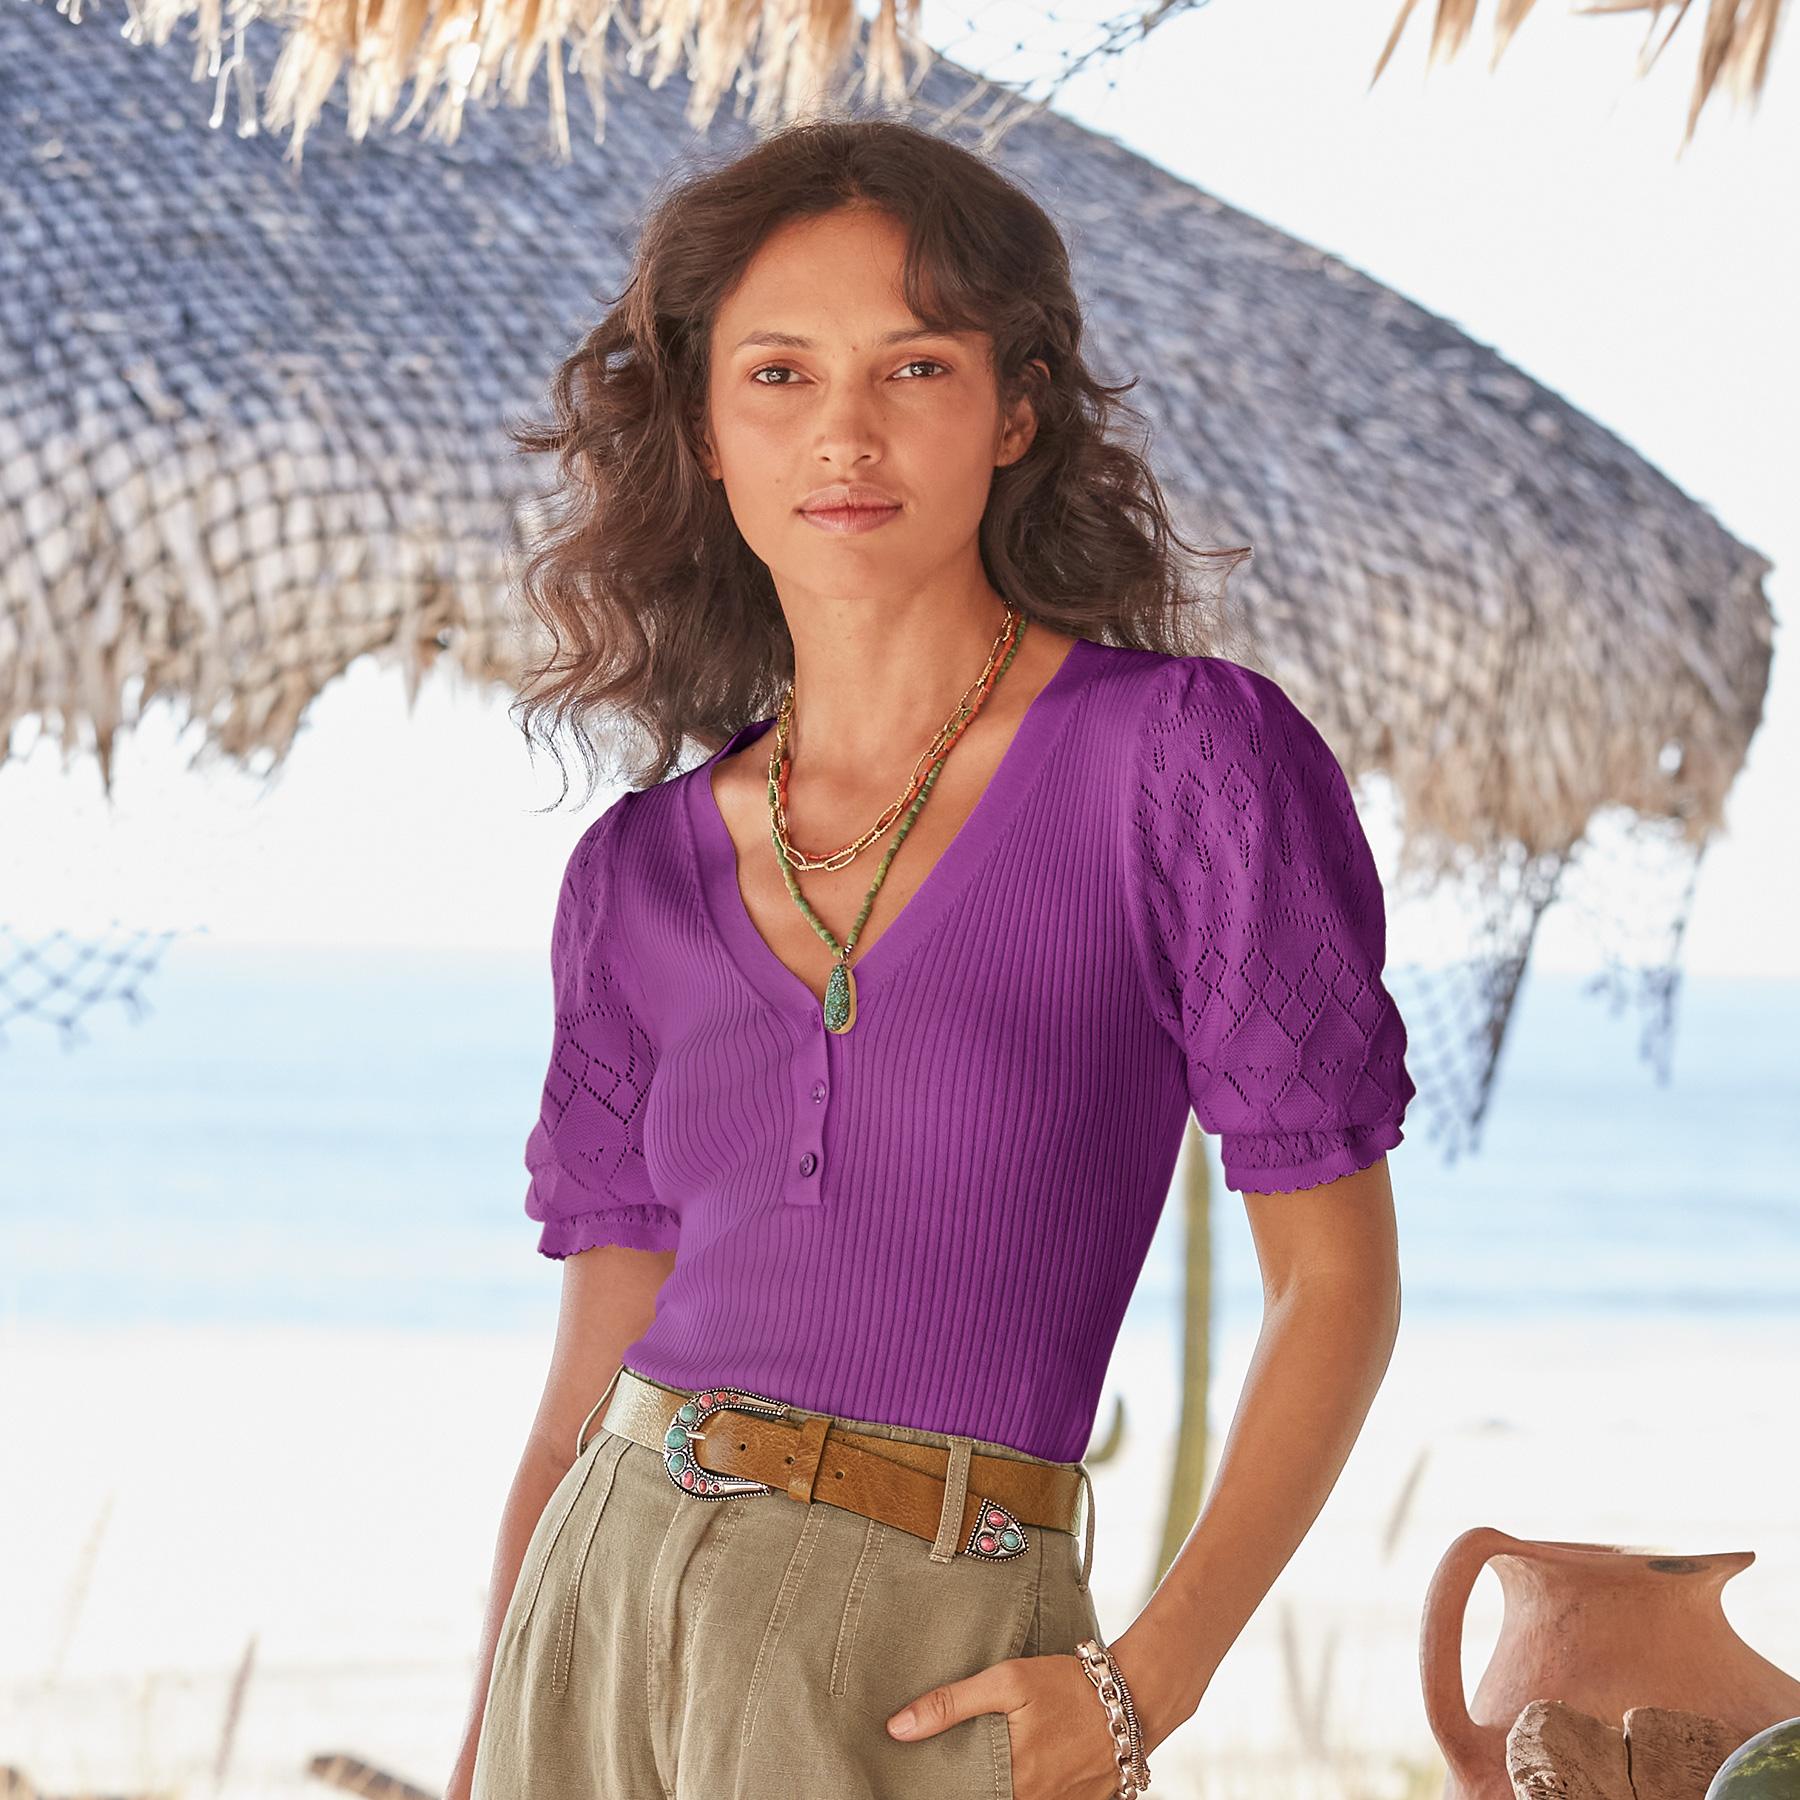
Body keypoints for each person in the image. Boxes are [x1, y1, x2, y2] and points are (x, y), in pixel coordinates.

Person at [446, 114, 1416, 1800]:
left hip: (929, 1638)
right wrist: (480, 1761)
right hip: (599, 1604)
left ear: (1014, 410)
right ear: (705, 429)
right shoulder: (636, 875)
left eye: (914, 368)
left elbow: (1335, 1285)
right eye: (779, 375)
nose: (845, 433)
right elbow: (577, 1390)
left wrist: (1144, 1688)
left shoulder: (1185, 762)